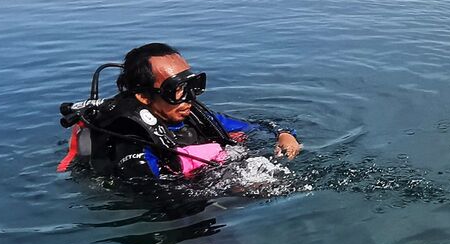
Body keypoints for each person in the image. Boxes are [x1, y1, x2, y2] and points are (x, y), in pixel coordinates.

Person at [58, 42, 300, 184]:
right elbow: (152, 194)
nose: (189, 99)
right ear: (143, 96)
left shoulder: (192, 114)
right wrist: (230, 190)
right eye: (176, 90)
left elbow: (263, 126)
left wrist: (285, 135)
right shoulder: (132, 139)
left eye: (191, 86)